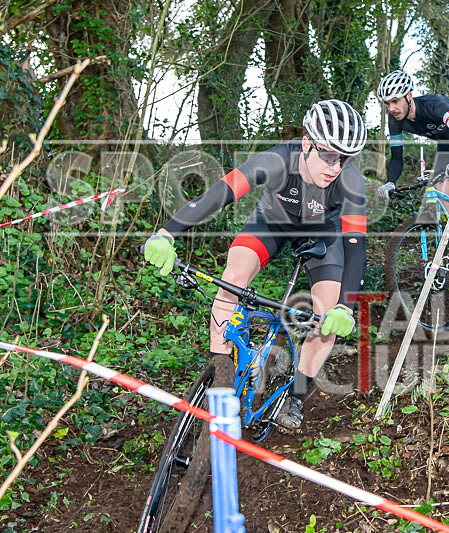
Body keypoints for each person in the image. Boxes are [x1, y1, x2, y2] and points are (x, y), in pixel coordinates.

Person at [142, 99, 368, 430]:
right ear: (307, 144)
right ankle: (220, 374)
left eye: (344, 158)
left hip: (324, 235)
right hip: (272, 222)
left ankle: (296, 396)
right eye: (328, 154)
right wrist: (165, 234)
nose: (335, 166)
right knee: (232, 277)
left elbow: (356, 249)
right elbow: (219, 194)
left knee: (327, 315)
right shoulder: (277, 160)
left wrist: (345, 308)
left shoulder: (351, 182)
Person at [375, 69, 449, 268]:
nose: (392, 108)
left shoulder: (434, 105)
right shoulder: (395, 122)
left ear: (409, 96)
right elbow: (397, 158)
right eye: (387, 103)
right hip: (447, 145)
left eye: (396, 101)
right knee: (442, 195)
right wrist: (390, 182)